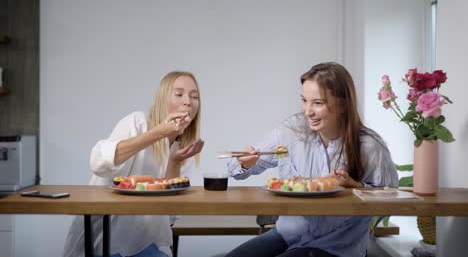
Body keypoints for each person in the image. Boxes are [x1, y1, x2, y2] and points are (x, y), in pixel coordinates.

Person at [225, 62, 398, 257]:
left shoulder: (370, 146)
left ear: (342, 105)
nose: (307, 111)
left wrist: (356, 187)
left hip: (337, 246)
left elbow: (390, 201)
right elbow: (235, 171)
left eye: (318, 103)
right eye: (304, 100)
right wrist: (244, 162)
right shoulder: (290, 133)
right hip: (287, 235)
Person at [63, 71, 204, 257]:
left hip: (150, 244)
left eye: (194, 96)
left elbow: (168, 215)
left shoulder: (184, 149)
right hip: (104, 242)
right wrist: (158, 132)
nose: (188, 101)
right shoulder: (138, 122)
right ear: (162, 98)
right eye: (179, 94)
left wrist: (175, 161)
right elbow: (98, 162)